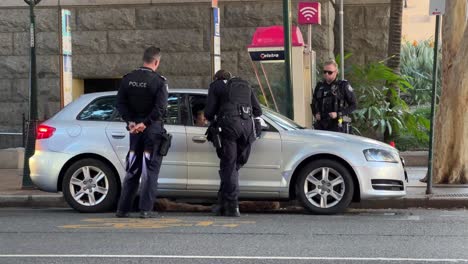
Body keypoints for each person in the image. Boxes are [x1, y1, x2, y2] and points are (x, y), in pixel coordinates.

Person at [115, 46, 168, 219]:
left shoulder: (127, 79)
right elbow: (160, 108)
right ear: (156, 62)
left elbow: (120, 104)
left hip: (134, 132)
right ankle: (145, 209)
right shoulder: (159, 81)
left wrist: (131, 122)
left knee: (132, 169)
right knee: (150, 171)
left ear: (143, 59)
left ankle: (122, 210)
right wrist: (145, 124)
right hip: (151, 131)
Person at [204, 69, 262, 217]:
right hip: (247, 129)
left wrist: (219, 112)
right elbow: (258, 110)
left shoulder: (216, 86)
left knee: (229, 166)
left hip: (230, 127)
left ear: (217, 78)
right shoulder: (245, 85)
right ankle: (221, 204)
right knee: (231, 167)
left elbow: (209, 113)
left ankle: (233, 205)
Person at [312, 60, 357, 133]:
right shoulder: (320, 86)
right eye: (325, 72)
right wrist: (316, 113)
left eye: (330, 72)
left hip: (338, 125)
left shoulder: (343, 85)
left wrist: (338, 114)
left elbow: (354, 105)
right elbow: (314, 103)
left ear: (336, 72)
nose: (326, 74)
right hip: (321, 126)